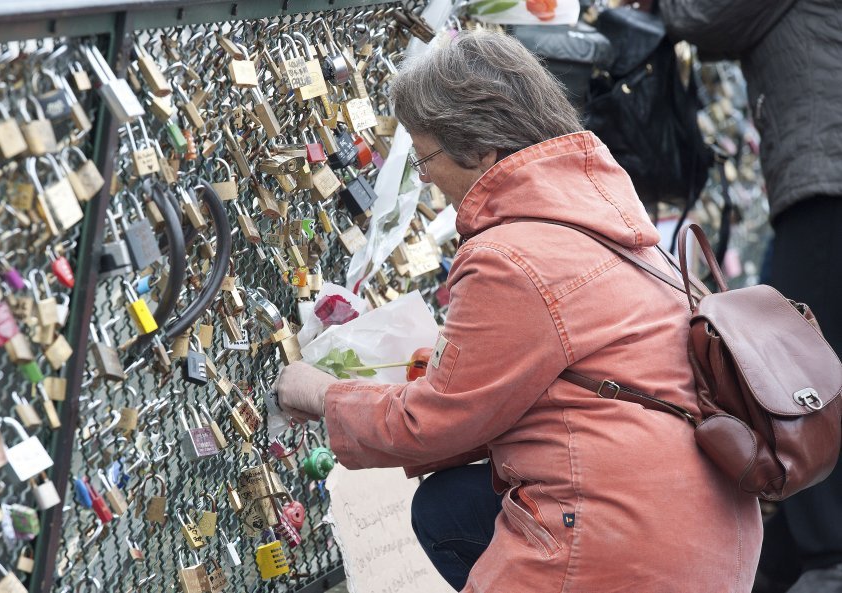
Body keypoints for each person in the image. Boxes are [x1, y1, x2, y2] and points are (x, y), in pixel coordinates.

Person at [275, 29, 761, 593]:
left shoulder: (509, 256)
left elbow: (427, 425)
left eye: (425, 155)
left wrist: (316, 392)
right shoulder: (611, 218)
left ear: (482, 148)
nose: (425, 177)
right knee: (449, 508)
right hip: (715, 531)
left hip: (627, 543)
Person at [657, 2, 842, 592]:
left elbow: (701, 17)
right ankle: (790, 556)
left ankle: (826, 553)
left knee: (793, 359)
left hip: (827, 183)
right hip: (823, 177)